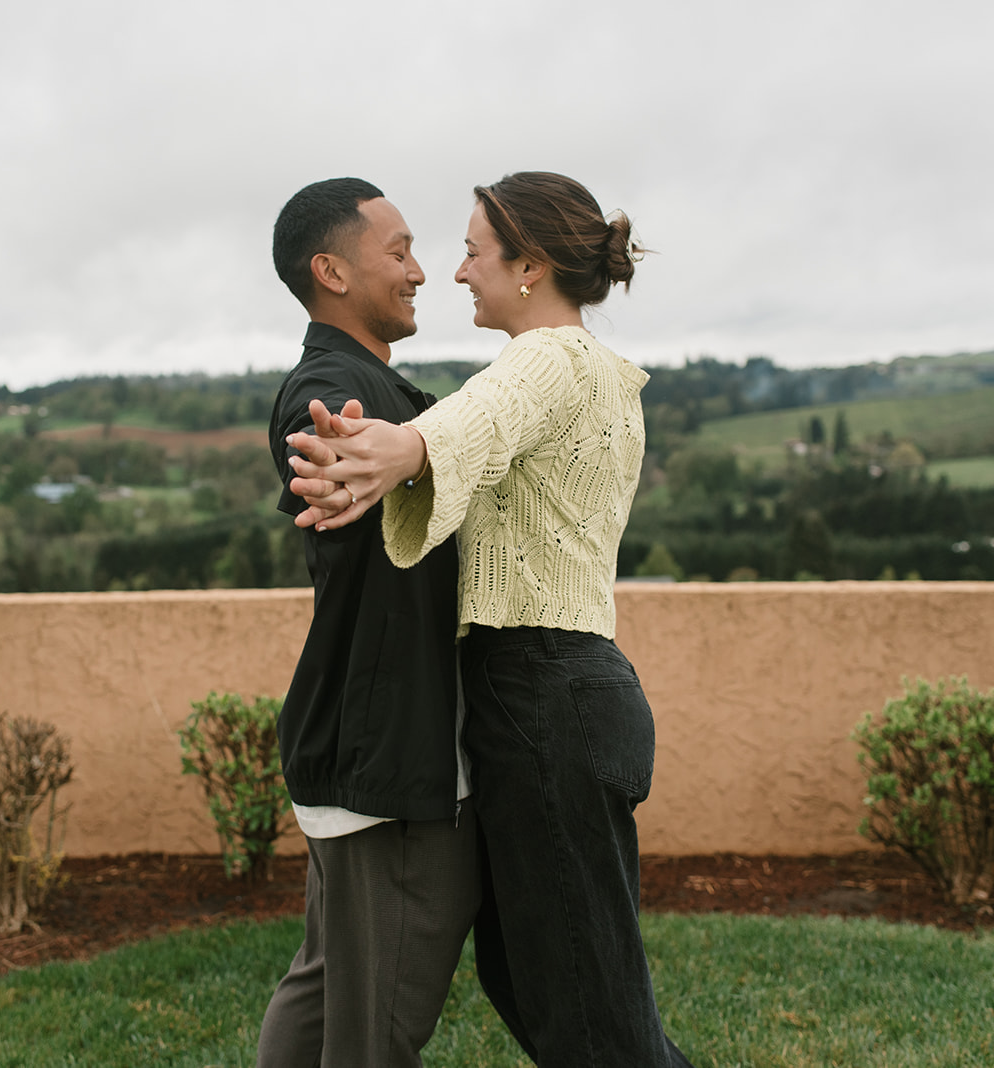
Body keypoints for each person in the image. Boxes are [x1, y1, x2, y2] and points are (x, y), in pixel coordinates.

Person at [285, 171, 695, 1067]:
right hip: (556, 692)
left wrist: (392, 449)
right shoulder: (577, 367)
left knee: (587, 1005)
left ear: (530, 266)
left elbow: (471, 427)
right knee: (544, 979)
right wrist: (383, 457)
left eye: (473, 252)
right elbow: (478, 432)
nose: (456, 272)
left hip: (543, 693)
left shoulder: (546, 360)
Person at [255, 177, 480, 1068]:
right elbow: (325, 443)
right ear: (331, 271)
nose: (420, 270)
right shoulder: (330, 388)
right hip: (380, 763)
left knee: (324, 995)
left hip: (362, 747)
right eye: (398, 251)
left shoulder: (379, 383)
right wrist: (336, 461)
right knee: (376, 1028)